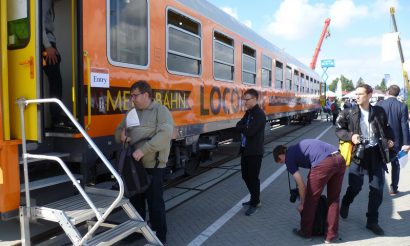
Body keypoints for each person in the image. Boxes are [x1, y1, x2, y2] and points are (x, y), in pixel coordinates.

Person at [115, 80, 174, 244]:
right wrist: (121, 135)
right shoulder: (131, 113)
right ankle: (138, 230)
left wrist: (144, 149)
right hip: (134, 166)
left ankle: (159, 236)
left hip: (153, 166)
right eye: (131, 96)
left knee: (155, 203)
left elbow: (165, 135)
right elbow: (119, 130)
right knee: (136, 201)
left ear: (146, 94)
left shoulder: (160, 111)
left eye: (135, 95)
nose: (132, 99)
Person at [336, 84, 394, 236]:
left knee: (377, 189)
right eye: (357, 94)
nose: (357, 96)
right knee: (355, 187)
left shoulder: (379, 111)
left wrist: (390, 140)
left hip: (376, 154)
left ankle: (372, 221)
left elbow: (387, 128)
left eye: (360, 94)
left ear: (369, 95)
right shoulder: (348, 112)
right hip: (358, 154)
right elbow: (338, 129)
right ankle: (346, 202)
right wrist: (351, 136)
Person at [273, 139, 345, 243]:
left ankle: (305, 232)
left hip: (323, 163)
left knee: (311, 199)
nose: (283, 163)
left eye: (281, 162)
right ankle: (330, 235)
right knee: (334, 199)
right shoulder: (297, 148)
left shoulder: (288, 158)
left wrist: (302, 204)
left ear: (280, 156)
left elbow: (302, 186)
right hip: (339, 158)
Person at [236, 88, 266, 216]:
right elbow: (238, 125)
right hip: (245, 150)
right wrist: (245, 127)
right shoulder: (249, 113)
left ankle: (255, 202)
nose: (245, 102)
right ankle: (254, 198)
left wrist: (244, 128)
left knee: (253, 178)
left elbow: (250, 132)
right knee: (245, 176)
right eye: (244, 100)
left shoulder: (259, 114)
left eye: (246, 100)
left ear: (254, 99)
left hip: (254, 152)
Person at [377, 85, 410, 195]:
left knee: (381, 164)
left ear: (387, 92)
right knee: (396, 164)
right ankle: (393, 188)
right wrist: (406, 143)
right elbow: (405, 126)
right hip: (396, 141)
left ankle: (379, 187)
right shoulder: (402, 106)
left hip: (382, 140)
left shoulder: (380, 104)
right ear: (398, 94)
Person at [43, 0, 64, 128]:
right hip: (47, 44)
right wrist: (47, 46)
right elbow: (38, 23)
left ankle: (56, 118)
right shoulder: (44, 2)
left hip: (48, 42)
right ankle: (56, 120)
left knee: (55, 82)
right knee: (56, 82)